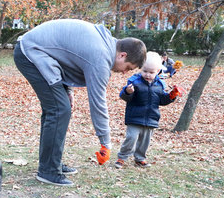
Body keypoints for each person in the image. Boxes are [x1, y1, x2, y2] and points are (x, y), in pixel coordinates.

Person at [13, 19, 147, 186]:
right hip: (31, 52)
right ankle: (48, 170)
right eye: (127, 67)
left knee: (60, 108)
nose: (124, 72)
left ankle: (51, 163)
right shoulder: (101, 57)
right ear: (122, 55)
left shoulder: (104, 43)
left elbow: (67, 57)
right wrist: (106, 143)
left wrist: (67, 90)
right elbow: (98, 104)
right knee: (59, 110)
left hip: (38, 51)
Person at [114, 52, 184, 169]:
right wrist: (127, 92)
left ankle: (140, 158)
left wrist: (172, 95)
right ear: (141, 68)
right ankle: (122, 157)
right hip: (134, 117)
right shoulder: (134, 82)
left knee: (145, 141)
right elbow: (125, 97)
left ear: (158, 71)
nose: (147, 74)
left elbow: (162, 100)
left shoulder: (160, 84)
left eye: (151, 72)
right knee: (131, 137)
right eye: (145, 71)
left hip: (151, 117)